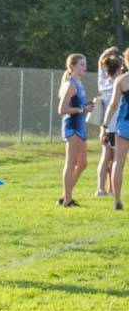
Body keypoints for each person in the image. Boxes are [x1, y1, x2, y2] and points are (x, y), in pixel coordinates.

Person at [57, 53, 92, 207]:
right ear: (72, 66)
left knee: (83, 163)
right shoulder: (70, 83)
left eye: (85, 64)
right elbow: (62, 109)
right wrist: (82, 109)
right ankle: (67, 200)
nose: (85, 67)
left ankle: (65, 194)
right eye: (81, 64)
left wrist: (88, 106)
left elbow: (79, 105)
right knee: (70, 163)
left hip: (81, 126)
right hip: (72, 127)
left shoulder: (78, 81)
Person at [99, 65, 129, 210]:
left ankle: (117, 200)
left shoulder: (122, 80)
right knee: (117, 163)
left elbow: (113, 104)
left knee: (118, 162)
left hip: (124, 125)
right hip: (124, 124)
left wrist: (104, 126)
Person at [93, 47, 120, 198]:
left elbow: (99, 63)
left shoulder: (103, 83)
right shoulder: (120, 84)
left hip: (105, 126)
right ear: (118, 70)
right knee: (116, 159)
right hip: (117, 127)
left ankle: (100, 189)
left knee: (105, 157)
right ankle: (113, 189)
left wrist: (107, 52)